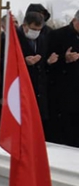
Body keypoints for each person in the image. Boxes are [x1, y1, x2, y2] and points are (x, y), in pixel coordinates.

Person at [17, 11, 59, 137]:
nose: (36, 32)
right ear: (25, 25)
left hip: (39, 91)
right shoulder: (14, 39)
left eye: (39, 29)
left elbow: (42, 64)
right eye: (33, 29)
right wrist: (24, 62)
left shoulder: (42, 39)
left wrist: (48, 62)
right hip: (22, 89)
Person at [47, 10, 79, 147]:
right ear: (74, 20)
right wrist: (64, 59)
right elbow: (48, 63)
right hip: (63, 94)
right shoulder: (57, 35)